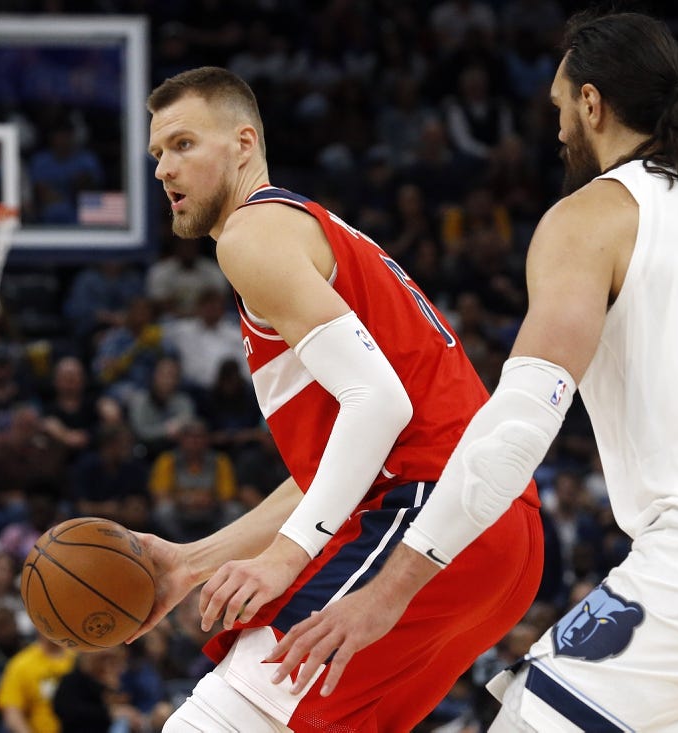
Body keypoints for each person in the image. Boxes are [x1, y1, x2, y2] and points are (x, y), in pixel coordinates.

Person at [269, 11, 678, 731]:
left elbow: (519, 424)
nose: (560, 127)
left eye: (562, 107)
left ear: (593, 103)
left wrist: (388, 591)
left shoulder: (594, 215)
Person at [133, 66, 543, 732]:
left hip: (426, 512)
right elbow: (345, 459)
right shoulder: (311, 233)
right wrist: (193, 561)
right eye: (156, 153)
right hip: (491, 533)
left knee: (219, 719)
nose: (162, 169)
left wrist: (284, 557)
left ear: (243, 143)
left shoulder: (251, 235)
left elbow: (380, 406)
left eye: (182, 144)